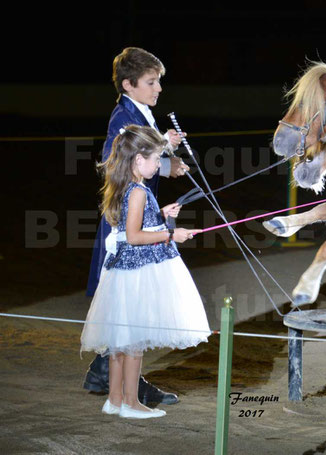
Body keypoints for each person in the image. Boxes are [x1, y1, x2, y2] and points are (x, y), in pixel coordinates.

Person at [84, 47, 190, 404]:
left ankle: (107, 377)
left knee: (129, 304)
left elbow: (143, 151)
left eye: (158, 81)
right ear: (129, 84)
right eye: (150, 82)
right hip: (129, 220)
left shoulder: (140, 111)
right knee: (130, 303)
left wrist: (165, 149)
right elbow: (117, 161)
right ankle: (124, 387)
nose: (158, 88)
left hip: (142, 211)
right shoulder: (122, 117)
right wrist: (164, 163)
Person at [81, 125, 210, 419]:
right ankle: (131, 403)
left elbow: (132, 223)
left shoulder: (129, 187)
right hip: (137, 272)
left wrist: (161, 214)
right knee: (134, 341)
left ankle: (114, 400)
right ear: (139, 160)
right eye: (155, 159)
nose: (158, 164)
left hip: (123, 272)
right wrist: (171, 235)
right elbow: (135, 235)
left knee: (120, 342)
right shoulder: (139, 191)